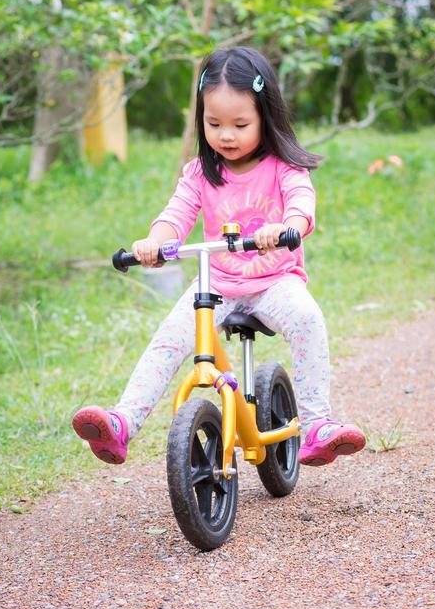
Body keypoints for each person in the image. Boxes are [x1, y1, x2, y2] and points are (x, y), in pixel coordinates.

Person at [72, 46, 366, 467]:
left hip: (274, 282)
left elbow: (302, 206)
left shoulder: (284, 168)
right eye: (214, 123)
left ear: (266, 116)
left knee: (306, 319)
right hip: (218, 284)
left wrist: (287, 228)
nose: (226, 135)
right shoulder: (199, 173)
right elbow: (175, 215)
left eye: (240, 124)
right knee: (168, 342)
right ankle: (121, 424)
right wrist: (155, 241)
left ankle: (318, 424)